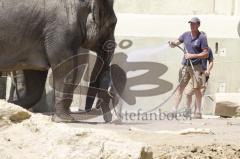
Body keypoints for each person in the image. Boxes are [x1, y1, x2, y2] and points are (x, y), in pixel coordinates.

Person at [169, 17, 209, 119]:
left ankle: (198, 112)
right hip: (185, 65)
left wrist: (192, 56)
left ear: (198, 25)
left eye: (194, 24)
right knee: (180, 87)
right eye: (190, 23)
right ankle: (174, 110)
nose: (192, 25)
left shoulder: (202, 37)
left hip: (197, 67)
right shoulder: (185, 35)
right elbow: (177, 42)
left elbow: (205, 53)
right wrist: (173, 44)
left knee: (196, 89)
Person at [185, 46, 214, 116]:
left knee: (199, 94)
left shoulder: (208, 49)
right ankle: (188, 111)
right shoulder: (193, 47)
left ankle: (197, 112)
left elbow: (211, 61)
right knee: (188, 93)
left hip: (202, 74)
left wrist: (208, 70)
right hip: (193, 73)